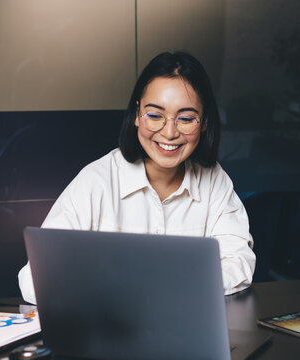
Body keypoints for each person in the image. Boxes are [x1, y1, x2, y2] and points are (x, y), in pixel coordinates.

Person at [18, 52, 255, 304]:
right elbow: (33, 278)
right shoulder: (97, 180)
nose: (170, 132)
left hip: (186, 330)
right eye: (155, 116)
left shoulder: (214, 181)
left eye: (186, 118)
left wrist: (155, 282)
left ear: (204, 122)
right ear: (136, 114)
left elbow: (238, 264)